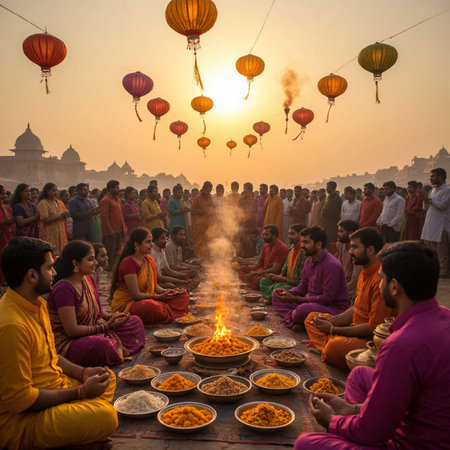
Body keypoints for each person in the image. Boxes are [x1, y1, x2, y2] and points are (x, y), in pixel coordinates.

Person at [296, 241, 450, 449]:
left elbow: (372, 433)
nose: (379, 284)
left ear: (395, 287)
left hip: (411, 442)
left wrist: (332, 420)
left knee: (306, 443)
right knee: (359, 374)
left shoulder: (400, 345)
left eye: (382, 279)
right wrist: (353, 410)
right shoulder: (445, 316)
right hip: (427, 417)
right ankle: (358, 416)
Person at [0, 237, 118, 449]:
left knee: (106, 377)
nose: (55, 273)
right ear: (32, 275)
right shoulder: (11, 325)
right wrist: (80, 392)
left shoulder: (36, 304)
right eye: (50, 268)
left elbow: (52, 355)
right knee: (108, 417)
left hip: (57, 387)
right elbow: (20, 401)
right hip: (25, 421)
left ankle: (79, 429)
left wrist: (82, 373)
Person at [304, 227, 393, 369]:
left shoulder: (380, 280)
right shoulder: (365, 272)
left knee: (334, 346)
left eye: (354, 247)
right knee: (312, 318)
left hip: (368, 341)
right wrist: (330, 321)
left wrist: (333, 329)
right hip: (352, 329)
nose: (350, 251)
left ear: (370, 250)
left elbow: (373, 330)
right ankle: (329, 346)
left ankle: (329, 347)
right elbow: (356, 309)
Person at [47, 241, 145, 366]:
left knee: (134, 321)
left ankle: (113, 347)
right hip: (70, 341)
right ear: (75, 263)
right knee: (103, 345)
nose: (96, 263)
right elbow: (71, 330)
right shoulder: (64, 288)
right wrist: (105, 327)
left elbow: (98, 312)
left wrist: (113, 317)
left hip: (94, 329)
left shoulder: (88, 279)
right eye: (91, 259)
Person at [272, 226, 349, 330]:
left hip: (332, 308)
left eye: (306, 242)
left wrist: (295, 299)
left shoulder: (331, 265)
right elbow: (302, 287)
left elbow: (327, 299)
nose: (301, 245)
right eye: (301, 242)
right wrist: (288, 293)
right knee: (275, 296)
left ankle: (297, 318)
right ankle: (298, 319)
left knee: (303, 309)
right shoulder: (309, 261)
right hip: (313, 304)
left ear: (318, 244)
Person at [111, 228, 190, 325]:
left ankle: (165, 312)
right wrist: (159, 297)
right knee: (153, 307)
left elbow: (155, 286)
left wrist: (168, 292)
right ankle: (166, 312)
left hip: (149, 298)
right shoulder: (128, 263)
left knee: (182, 295)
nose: (152, 245)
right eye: (148, 242)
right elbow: (135, 294)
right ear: (136, 244)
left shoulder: (150, 260)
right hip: (129, 303)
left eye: (152, 241)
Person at [259, 223, 307, 300]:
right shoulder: (291, 250)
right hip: (285, 283)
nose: (289, 237)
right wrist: (278, 277)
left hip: (295, 286)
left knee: (279, 288)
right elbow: (284, 270)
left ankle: (273, 297)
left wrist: (283, 279)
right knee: (264, 281)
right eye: (289, 234)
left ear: (300, 235)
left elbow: (303, 282)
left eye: (292, 234)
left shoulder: (305, 252)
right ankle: (274, 297)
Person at [239, 225, 289, 291]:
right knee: (242, 269)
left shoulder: (281, 248)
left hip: (274, 275)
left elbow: (275, 269)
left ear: (274, 235)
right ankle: (248, 283)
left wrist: (256, 273)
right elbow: (260, 262)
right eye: (263, 234)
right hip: (263, 272)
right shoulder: (266, 246)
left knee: (257, 281)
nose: (264, 237)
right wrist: (251, 269)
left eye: (267, 235)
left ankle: (252, 286)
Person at [421, 168, 450, 278]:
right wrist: (425, 199)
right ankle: (435, 268)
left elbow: (442, 206)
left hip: (441, 225)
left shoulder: (447, 190)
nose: (430, 178)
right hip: (430, 223)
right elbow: (426, 207)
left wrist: (429, 200)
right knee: (432, 249)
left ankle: (444, 271)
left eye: (433, 176)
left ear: (440, 177)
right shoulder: (432, 191)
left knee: (442, 251)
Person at [37, 182, 69, 256]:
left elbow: (63, 215)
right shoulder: (43, 203)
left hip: (61, 232)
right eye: (53, 190)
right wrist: (59, 217)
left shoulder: (59, 202)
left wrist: (65, 215)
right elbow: (44, 220)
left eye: (56, 190)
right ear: (47, 192)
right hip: (49, 233)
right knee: (50, 254)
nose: (56, 192)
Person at [335, 219, 362, 301]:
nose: (338, 234)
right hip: (341, 288)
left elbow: (355, 281)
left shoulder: (357, 251)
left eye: (341, 231)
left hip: (350, 294)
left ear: (350, 233)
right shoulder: (342, 246)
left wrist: (337, 291)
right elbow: (338, 269)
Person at [191, 181, 216, 258]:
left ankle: (207, 260)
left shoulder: (209, 199)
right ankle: (198, 261)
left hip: (208, 226)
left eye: (210, 190)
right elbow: (192, 211)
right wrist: (203, 211)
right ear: (204, 189)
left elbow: (212, 209)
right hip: (199, 226)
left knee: (208, 244)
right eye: (208, 190)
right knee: (198, 244)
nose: (209, 192)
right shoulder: (196, 199)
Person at [321, 181, 342, 252]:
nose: (327, 189)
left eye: (328, 187)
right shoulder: (329, 197)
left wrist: (325, 211)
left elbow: (336, 212)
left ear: (333, 188)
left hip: (332, 225)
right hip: (326, 225)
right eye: (327, 187)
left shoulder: (337, 199)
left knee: (332, 243)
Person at [238, 182, 258, 256]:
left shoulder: (254, 200)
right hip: (242, 223)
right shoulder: (241, 200)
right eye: (244, 188)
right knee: (242, 241)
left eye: (246, 188)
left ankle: (250, 258)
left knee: (251, 241)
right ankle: (241, 258)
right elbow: (238, 210)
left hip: (251, 224)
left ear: (250, 189)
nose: (244, 190)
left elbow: (255, 210)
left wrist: (247, 212)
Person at [0, 185, 15, 283]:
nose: (4, 195)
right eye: (2, 193)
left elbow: (12, 219)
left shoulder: (6, 207)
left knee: (8, 256)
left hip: (8, 234)